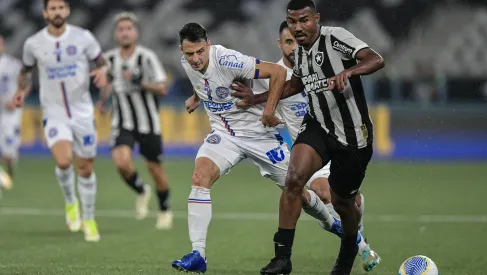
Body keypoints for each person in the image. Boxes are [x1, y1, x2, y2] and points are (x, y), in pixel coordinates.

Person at [171, 22, 372, 274]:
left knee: (301, 194)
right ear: (182, 50)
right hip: (225, 135)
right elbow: (205, 81)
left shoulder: (229, 59)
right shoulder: (187, 63)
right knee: (200, 177)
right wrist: (196, 96)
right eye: (190, 54)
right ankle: (198, 253)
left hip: (260, 136)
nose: (196, 58)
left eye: (200, 52)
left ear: (208, 44)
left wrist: (267, 111)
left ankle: (337, 226)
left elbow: (277, 72)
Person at [232, 21, 381, 272]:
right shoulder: (274, 73)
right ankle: (283, 257)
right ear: (280, 44)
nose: (293, 45)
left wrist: (349, 72)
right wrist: (200, 93)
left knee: (341, 203)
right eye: (287, 41)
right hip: (313, 140)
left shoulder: (329, 43)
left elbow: (375, 59)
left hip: (346, 138)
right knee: (302, 185)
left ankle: (355, 236)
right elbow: (230, 82)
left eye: (296, 36)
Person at [12, 0, 110, 242]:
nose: (57, 12)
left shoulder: (83, 37)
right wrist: (21, 90)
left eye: (61, 7)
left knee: (86, 169)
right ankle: (70, 203)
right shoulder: (33, 43)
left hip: (82, 112)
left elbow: (103, 63)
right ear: (46, 13)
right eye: (52, 8)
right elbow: (25, 71)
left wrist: (104, 72)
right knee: (64, 161)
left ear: (67, 11)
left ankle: (88, 218)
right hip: (54, 113)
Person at [99, 12, 173, 229]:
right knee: (121, 163)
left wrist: (142, 83)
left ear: (136, 33)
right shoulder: (108, 59)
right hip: (122, 122)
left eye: (128, 29)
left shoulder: (146, 57)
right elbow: (107, 85)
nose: (124, 33)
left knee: (156, 170)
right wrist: (103, 101)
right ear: (115, 34)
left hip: (148, 122)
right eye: (120, 29)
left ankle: (164, 210)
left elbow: (162, 88)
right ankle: (142, 190)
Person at [0, 35, 23, 181]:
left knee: (9, 152)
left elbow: (24, 85)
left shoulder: (13, 64)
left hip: (10, 113)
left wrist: (16, 99)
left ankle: (9, 175)